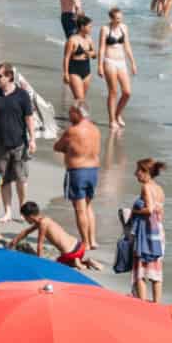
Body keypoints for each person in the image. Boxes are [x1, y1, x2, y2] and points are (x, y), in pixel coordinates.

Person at [0, 62, 36, 218]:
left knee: (21, 179)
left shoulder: (22, 95)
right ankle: (7, 211)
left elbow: (29, 118)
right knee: (3, 179)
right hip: (0, 144)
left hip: (19, 143)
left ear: (9, 76)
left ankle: (22, 209)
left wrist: (33, 139)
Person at [52, 101, 101, 252]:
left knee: (80, 209)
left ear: (78, 114)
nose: (68, 115)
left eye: (71, 112)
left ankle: (85, 242)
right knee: (88, 206)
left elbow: (58, 146)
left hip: (78, 172)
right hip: (93, 170)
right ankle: (93, 240)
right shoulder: (95, 129)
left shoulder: (73, 131)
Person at [125, 159, 167, 302]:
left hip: (147, 233)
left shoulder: (146, 187)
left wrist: (135, 211)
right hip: (158, 232)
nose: (135, 174)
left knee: (140, 270)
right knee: (156, 270)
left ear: (146, 172)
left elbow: (148, 209)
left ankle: (142, 305)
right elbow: (160, 213)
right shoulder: (160, 189)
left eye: (138, 171)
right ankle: (156, 304)